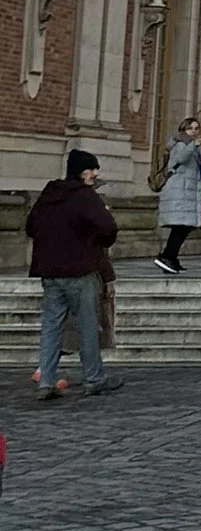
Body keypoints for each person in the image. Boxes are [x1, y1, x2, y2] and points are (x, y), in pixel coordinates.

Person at [27, 148, 121, 399]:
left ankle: (46, 381)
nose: (95, 173)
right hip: (80, 269)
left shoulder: (48, 195)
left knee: (51, 325)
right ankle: (94, 378)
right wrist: (94, 243)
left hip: (50, 271)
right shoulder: (85, 196)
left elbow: (31, 226)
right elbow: (109, 227)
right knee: (88, 325)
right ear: (82, 172)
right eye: (92, 169)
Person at [155, 114, 201, 273]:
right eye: (190, 128)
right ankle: (167, 256)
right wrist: (193, 145)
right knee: (181, 227)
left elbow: (191, 167)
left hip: (187, 192)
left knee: (183, 227)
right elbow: (181, 158)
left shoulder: (193, 146)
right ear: (183, 129)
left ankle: (171, 257)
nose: (193, 131)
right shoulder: (180, 144)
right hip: (179, 192)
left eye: (196, 128)